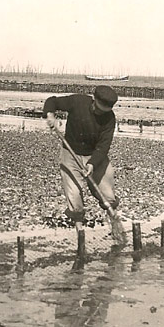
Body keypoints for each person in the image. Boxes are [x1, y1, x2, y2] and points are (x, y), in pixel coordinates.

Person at [44, 85, 119, 232]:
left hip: (94, 154)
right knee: (74, 191)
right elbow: (51, 102)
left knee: (107, 192)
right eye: (98, 109)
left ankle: (114, 220)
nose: (99, 113)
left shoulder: (110, 119)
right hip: (70, 152)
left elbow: (103, 146)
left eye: (104, 111)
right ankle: (79, 230)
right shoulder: (78, 102)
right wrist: (50, 116)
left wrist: (91, 164)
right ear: (94, 100)